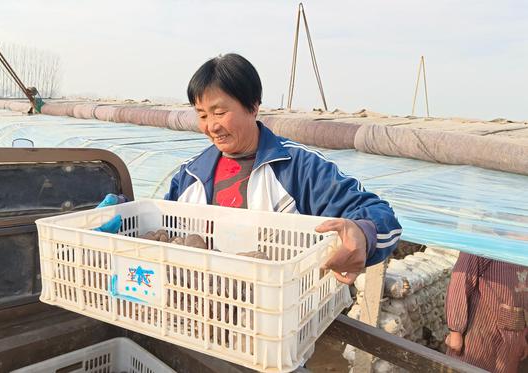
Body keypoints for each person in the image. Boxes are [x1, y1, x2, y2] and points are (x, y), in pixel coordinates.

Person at [165, 53, 402, 283]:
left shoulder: (299, 167)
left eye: (219, 112)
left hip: (283, 309)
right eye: (203, 115)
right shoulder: (189, 176)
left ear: (253, 106)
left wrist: (362, 234)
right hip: (202, 309)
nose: (211, 126)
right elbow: (162, 228)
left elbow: (380, 215)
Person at [445, 253, 527, 373]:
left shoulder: (523, 248)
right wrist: (455, 332)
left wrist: (523, 337)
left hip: (511, 342)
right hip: (480, 334)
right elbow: (460, 282)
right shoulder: (485, 240)